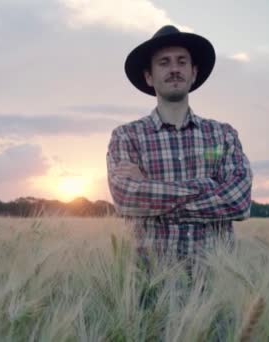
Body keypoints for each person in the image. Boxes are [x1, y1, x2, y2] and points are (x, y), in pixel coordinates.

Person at [106, 25, 252, 270]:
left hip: (215, 282)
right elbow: (127, 199)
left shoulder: (223, 134)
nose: (174, 69)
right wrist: (209, 185)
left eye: (181, 62)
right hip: (148, 286)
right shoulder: (126, 136)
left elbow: (238, 201)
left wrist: (150, 189)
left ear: (193, 72)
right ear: (149, 76)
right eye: (164, 62)